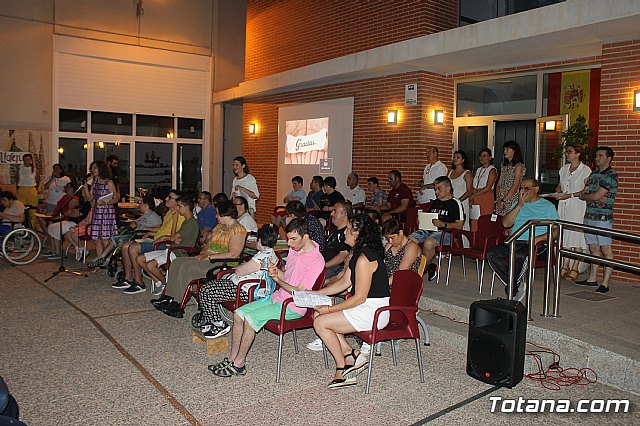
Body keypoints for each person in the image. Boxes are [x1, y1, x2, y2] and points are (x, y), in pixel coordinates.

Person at [208, 218, 324, 378]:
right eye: (288, 238)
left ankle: (239, 364)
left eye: (293, 239)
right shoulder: (295, 250)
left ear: (306, 237)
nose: (289, 244)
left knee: (249, 318)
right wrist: (275, 271)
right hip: (278, 297)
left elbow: (299, 292)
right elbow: (288, 278)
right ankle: (232, 358)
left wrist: (277, 279)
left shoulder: (316, 260)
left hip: (293, 305)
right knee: (238, 314)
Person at [313, 213, 390, 389]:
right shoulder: (357, 253)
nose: (345, 232)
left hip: (374, 311)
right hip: (365, 306)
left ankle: (343, 367)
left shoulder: (364, 259)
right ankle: (351, 354)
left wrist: (330, 309)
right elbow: (344, 283)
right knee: (320, 313)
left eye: (348, 229)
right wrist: (316, 292)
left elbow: (359, 297)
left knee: (320, 322)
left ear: (358, 233)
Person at [152, 200, 247, 318]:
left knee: (187, 267)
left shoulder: (238, 230)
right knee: (176, 263)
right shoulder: (219, 227)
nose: (215, 216)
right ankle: (168, 297)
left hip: (222, 263)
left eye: (217, 213)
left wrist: (209, 256)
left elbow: (233, 254)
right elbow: (208, 245)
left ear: (224, 214)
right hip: (209, 258)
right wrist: (202, 253)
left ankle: (177, 304)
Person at [198, 224, 280, 339]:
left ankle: (219, 325)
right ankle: (212, 321)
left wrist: (240, 267)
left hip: (245, 289)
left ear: (259, 240)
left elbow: (240, 271)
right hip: (243, 286)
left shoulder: (262, 257)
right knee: (209, 287)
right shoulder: (270, 254)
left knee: (206, 291)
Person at [487, 177, 559, 301]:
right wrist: (519, 205)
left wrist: (539, 238)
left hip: (536, 244)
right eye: (521, 188)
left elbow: (556, 231)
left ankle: (512, 287)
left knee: (519, 256)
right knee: (492, 254)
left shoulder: (548, 206)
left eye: (527, 188)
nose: (523, 191)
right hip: (516, 240)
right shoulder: (518, 203)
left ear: (536, 189)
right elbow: (506, 224)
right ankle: (514, 284)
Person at [111, 190, 184, 289]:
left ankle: (139, 282)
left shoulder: (179, 216)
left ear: (177, 202)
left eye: (170, 198)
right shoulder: (169, 213)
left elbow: (174, 235)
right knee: (125, 246)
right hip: (156, 239)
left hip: (164, 244)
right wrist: (150, 231)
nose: (166, 199)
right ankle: (128, 278)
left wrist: (159, 236)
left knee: (133, 248)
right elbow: (162, 229)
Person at [135, 195, 200, 295]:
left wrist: (173, 225)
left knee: (150, 265)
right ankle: (158, 282)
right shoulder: (186, 221)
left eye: (179, 206)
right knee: (139, 259)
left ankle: (167, 284)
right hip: (172, 249)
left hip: (178, 252)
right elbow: (175, 238)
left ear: (186, 207)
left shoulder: (191, 223)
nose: (177, 208)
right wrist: (172, 238)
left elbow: (174, 237)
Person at [576, 146, 618, 293]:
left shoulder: (611, 176)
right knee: (593, 247)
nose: (597, 158)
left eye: (600, 156)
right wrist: (588, 195)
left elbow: (593, 196)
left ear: (608, 158)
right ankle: (592, 279)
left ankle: (605, 283)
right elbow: (586, 192)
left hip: (603, 218)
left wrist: (588, 196)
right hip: (590, 215)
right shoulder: (593, 174)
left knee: (605, 249)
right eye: (596, 155)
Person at [409, 176, 464, 281]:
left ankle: (419, 271)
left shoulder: (455, 203)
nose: (436, 192)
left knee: (429, 243)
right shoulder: (435, 202)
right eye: (435, 189)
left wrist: (444, 224)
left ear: (448, 189)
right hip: (430, 230)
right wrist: (421, 221)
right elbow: (430, 218)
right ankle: (425, 265)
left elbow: (459, 225)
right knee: (410, 240)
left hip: (447, 233)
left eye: (439, 189)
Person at [555, 144, 591, 282]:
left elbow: (586, 190)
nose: (567, 154)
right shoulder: (563, 169)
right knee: (565, 234)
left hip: (577, 205)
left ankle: (575, 266)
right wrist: (558, 191)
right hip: (564, 205)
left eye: (569, 152)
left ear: (577, 154)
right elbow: (560, 185)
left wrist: (569, 195)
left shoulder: (585, 170)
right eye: (566, 152)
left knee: (576, 235)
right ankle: (565, 265)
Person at [83, 160, 118, 264]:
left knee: (105, 238)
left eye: (95, 168)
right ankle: (99, 261)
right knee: (97, 239)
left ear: (101, 169)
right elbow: (90, 198)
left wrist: (105, 203)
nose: (93, 170)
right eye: (92, 168)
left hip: (107, 212)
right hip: (97, 212)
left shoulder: (109, 182)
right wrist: (85, 187)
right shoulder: (95, 182)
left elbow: (115, 198)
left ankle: (108, 260)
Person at [45, 183, 81, 259]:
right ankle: (53, 249)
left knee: (52, 225)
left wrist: (55, 217)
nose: (67, 190)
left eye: (70, 188)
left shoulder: (74, 199)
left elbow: (69, 213)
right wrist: (52, 214)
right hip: (61, 216)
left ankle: (57, 252)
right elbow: (59, 208)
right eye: (67, 188)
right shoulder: (64, 197)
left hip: (67, 219)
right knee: (49, 225)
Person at [382, 219, 422, 286]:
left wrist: (382, 285)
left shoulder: (411, 246)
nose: (390, 241)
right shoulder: (389, 246)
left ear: (400, 233)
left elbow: (402, 271)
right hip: (388, 281)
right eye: (387, 239)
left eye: (392, 238)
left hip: (403, 283)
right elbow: (381, 265)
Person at [468, 148, 497, 232]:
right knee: (474, 221)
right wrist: (472, 196)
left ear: (490, 157)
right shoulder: (478, 170)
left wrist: (474, 195)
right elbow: (473, 185)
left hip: (486, 196)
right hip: (476, 196)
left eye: (484, 156)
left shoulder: (492, 170)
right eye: (480, 156)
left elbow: (488, 187)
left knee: (484, 221)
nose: (482, 158)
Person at [495, 140, 525, 216]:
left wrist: (504, 200)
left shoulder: (518, 166)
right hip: (501, 199)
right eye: (504, 149)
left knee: (509, 222)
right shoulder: (504, 166)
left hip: (511, 199)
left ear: (514, 151)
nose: (505, 151)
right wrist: (498, 199)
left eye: (507, 149)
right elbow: (499, 184)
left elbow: (515, 186)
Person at [447, 150, 473, 231]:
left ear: (463, 160)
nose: (455, 159)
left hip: (462, 202)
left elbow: (469, 191)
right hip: (451, 202)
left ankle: (464, 243)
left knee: (462, 225)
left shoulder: (467, 173)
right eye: (454, 157)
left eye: (458, 157)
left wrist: (458, 201)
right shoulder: (449, 172)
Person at [16, 153, 38, 227]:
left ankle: (32, 229)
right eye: (25, 160)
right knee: (21, 209)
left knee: (32, 211)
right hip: (21, 190)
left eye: (28, 160)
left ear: (31, 160)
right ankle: (21, 229)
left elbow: (37, 180)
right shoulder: (20, 169)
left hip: (31, 190)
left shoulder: (34, 170)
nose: (26, 161)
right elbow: (17, 179)